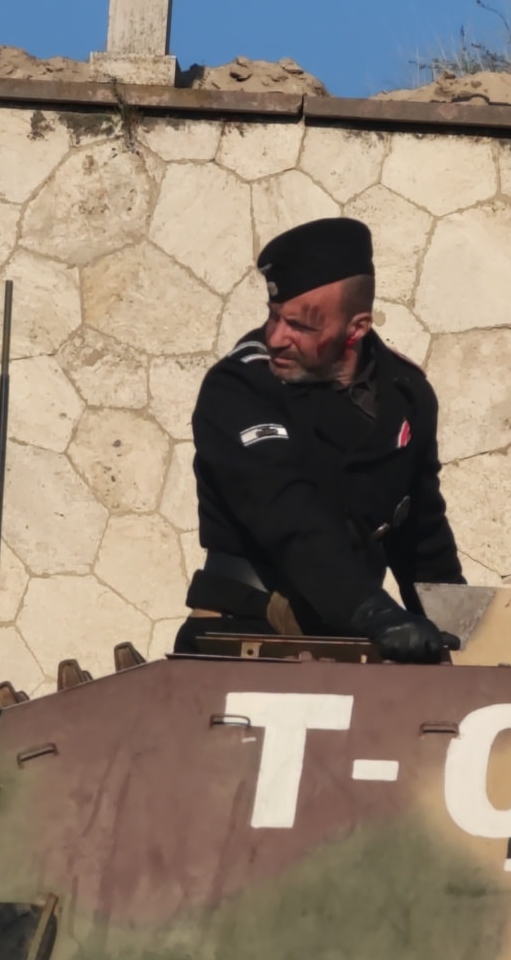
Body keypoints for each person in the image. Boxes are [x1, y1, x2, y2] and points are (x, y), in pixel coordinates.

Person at [176, 217, 466, 664]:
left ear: (357, 328)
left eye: (300, 326)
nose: (276, 337)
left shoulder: (406, 396)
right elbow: (289, 518)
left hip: (350, 645)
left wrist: (464, 642)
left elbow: (423, 544)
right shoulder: (241, 388)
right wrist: (374, 613)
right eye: (274, 316)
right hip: (243, 637)